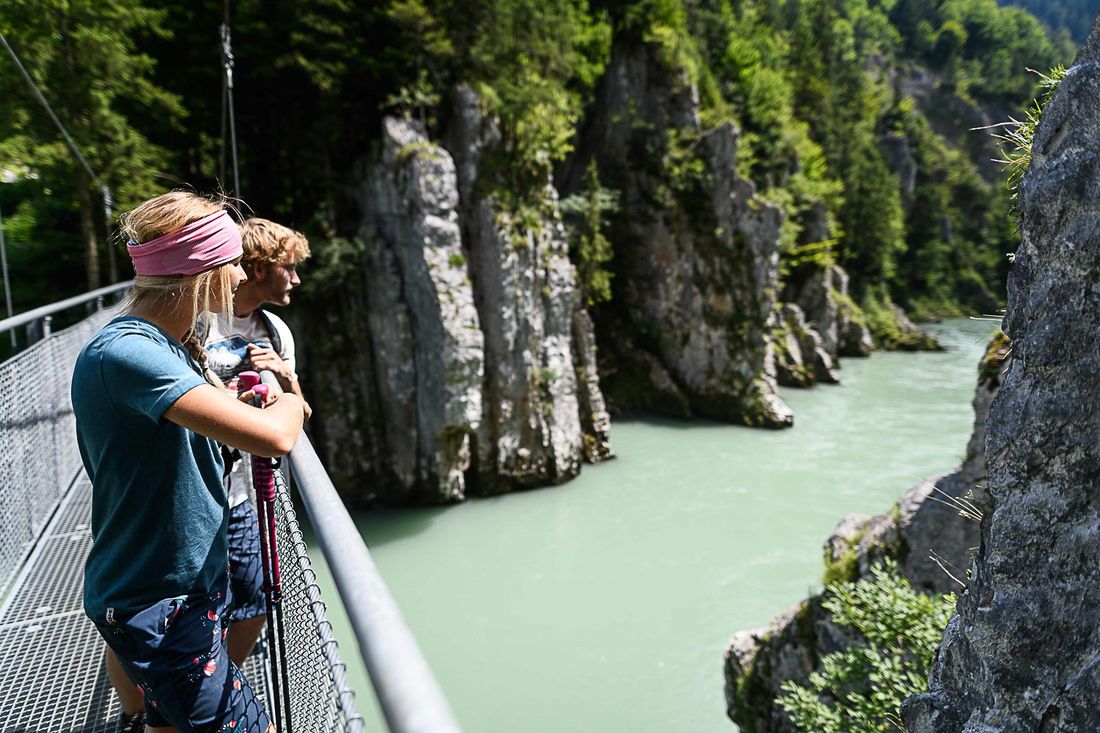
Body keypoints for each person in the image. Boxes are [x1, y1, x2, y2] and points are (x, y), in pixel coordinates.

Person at [73, 191, 306, 733]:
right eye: (230, 264)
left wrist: (239, 408)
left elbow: (203, 427)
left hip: (174, 585)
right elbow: (275, 438)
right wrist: (290, 395)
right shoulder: (130, 352)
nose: (238, 275)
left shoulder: (169, 343)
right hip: (157, 600)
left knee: (168, 726)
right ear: (203, 271)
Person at [201, 217, 312, 668]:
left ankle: (218, 691)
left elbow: (300, 414)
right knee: (169, 612)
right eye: (290, 267)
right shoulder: (197, 320)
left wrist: (286, 378)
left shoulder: (276, 331)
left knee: (256, 601)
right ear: (260, 268)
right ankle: (137, 714)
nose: (297, 278)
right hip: (189, 491)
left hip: (241, 493)